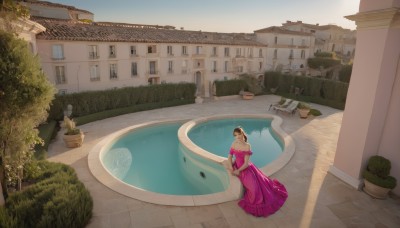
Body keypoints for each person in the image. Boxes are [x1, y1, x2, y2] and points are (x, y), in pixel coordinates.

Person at [227, 127, 288, 217]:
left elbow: (246, 163)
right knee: (255, 189)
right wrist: (231, 168)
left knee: (254, 190)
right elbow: (229, 157)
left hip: (245, 168)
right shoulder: (233, 144)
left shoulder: (247, 146)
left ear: (242, 134)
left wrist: (238, 171)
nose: (237, 137)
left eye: (239, 134)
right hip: (237, 166)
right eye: (235, 135)